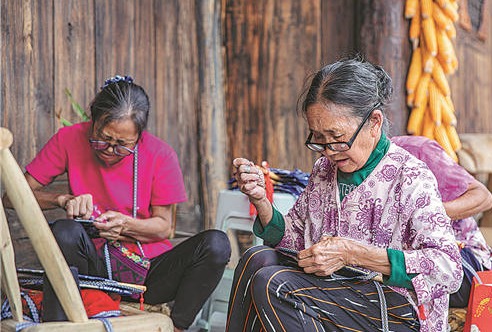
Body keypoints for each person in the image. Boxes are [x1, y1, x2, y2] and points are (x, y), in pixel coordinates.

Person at [226, 57, 462, 332]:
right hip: (336, 292)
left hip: (397, 310)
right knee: (256, 260)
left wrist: (353, 253)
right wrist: (261, 201)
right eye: (319, 139)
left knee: (274, 284)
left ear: (374, 123)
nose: (328, 150)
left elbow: (448, 269)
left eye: (337, 137)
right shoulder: (325, 170)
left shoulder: (410, 177)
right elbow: (295, 239)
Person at [5, 75, 231, 332]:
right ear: (93, 119)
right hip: (92, 269)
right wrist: (62, 199)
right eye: (102, 138)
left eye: (123, 145)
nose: (110, 150)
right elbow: (12, 196)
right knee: (65, 231)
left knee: (216, 244)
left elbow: (163, 227)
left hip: (146, 275)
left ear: (139, 136)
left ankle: (177, 327)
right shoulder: (69, 139)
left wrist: (126, 225)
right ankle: (57, 325)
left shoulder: (161, 154)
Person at [391, 135, 492, 307]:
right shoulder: (334, 162)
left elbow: (483, 197)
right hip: (404, 261)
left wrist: (426, 213)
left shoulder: (417, 150)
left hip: (461, 261)